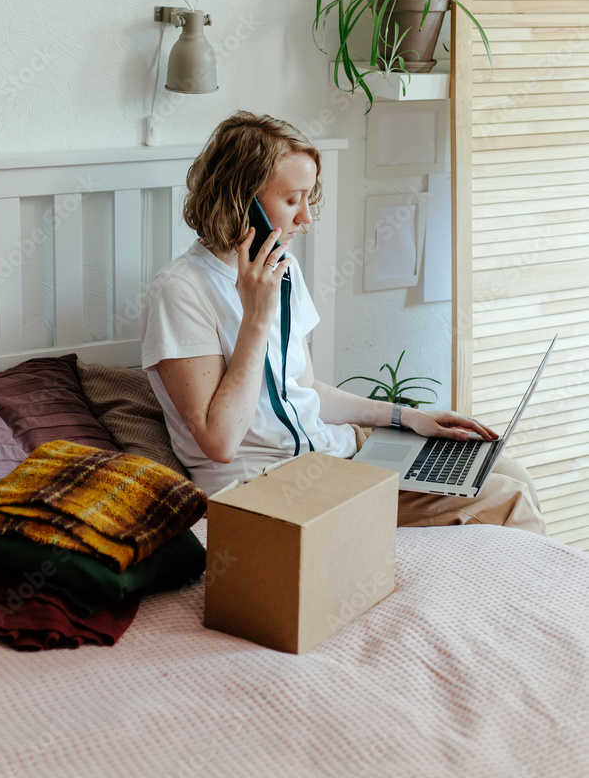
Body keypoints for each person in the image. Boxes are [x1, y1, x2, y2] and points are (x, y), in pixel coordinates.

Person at [140, 111, 547, 535]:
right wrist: (256, 318)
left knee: (513, 472)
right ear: (242, 200)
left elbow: (305, 389)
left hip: (331, 456)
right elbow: (219, 442)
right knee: (508, 499)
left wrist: (406, 417)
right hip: (266, 486)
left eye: (307, 198)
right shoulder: (180, 291)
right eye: (292, 199)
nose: (306, 218)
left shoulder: (284, 269)